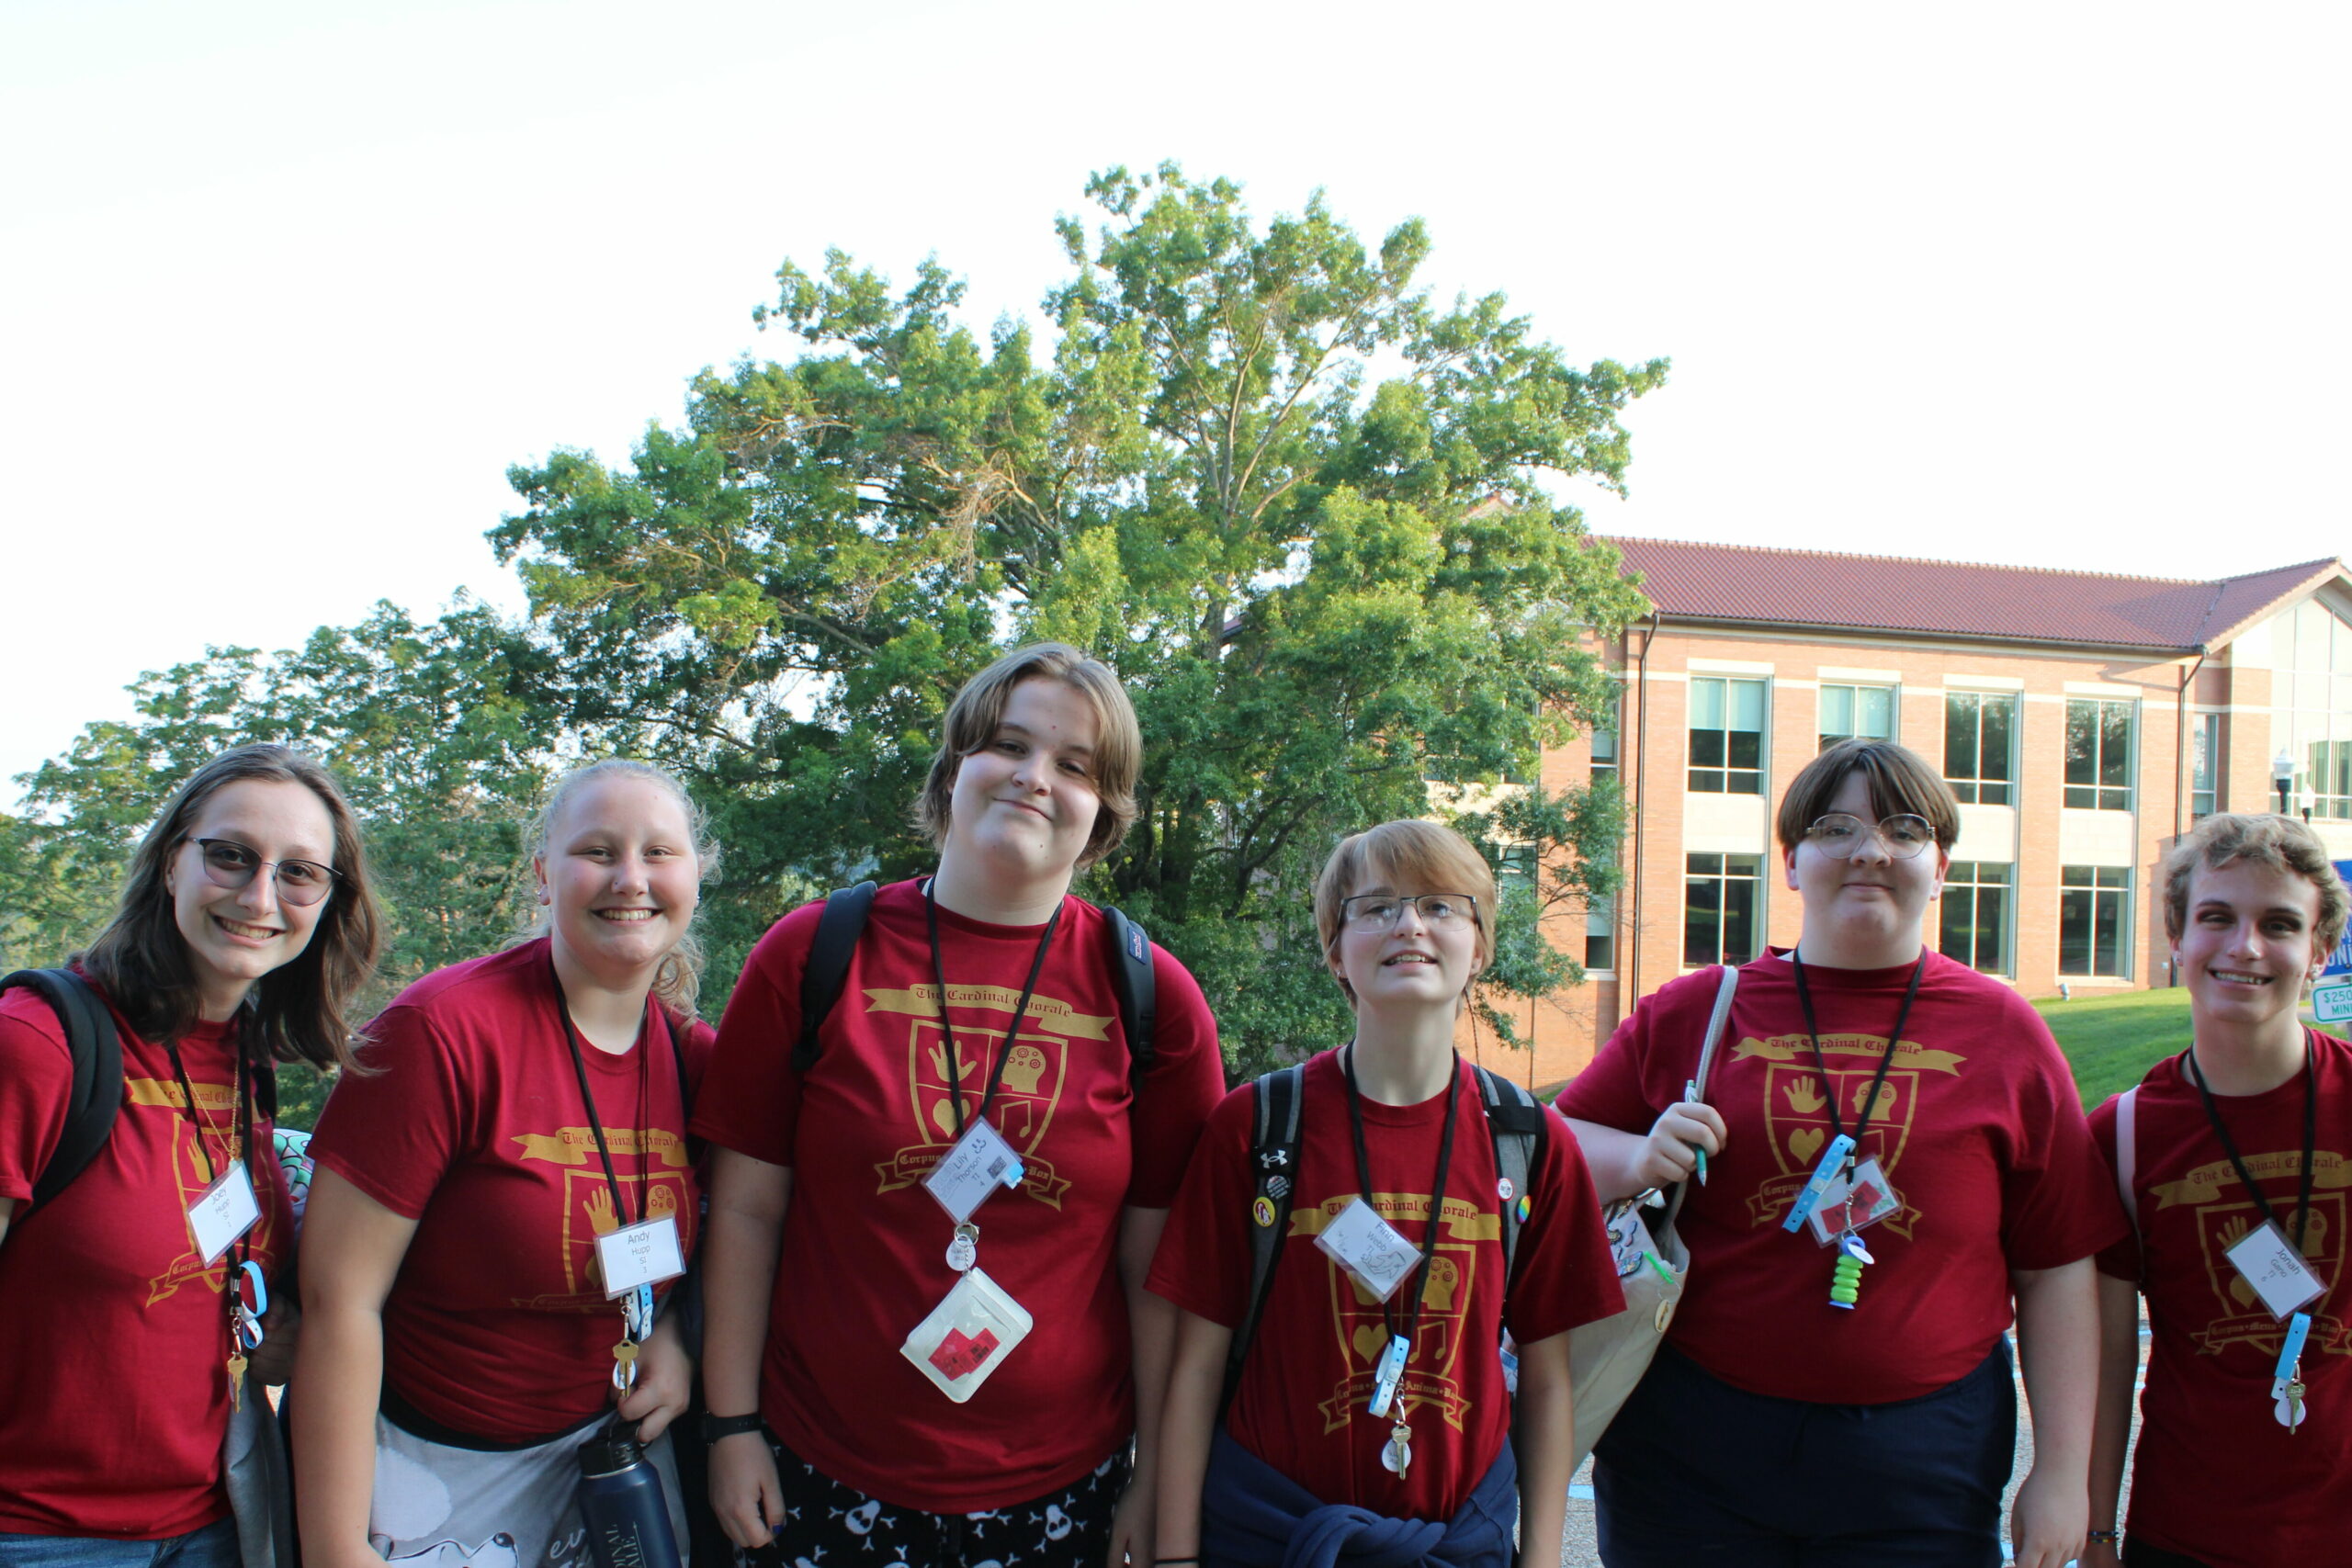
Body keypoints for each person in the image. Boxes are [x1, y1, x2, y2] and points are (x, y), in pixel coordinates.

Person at [695, 642, 1226, 1568]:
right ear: (954, 768)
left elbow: (1155, 1267)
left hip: (1067, 1490)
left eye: (1074, 766)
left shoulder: (1153, 996)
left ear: (1103, 813)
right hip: (815, 1469)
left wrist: (1154, 1478)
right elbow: (744, 1211)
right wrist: (730, 1424)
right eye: (1008, 745)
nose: (1033, 777)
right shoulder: (811, 954)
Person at [1555, 737, 2128, 1568]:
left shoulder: (2005, 1031)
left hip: (1924, 1455)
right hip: (1692, 1444)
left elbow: (2057, 1266)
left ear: (1940, 867)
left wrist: (2064, 1472)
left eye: (1904, 829)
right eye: (1834, 828)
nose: (1870, 850)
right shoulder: (1698, 1009)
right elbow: (1557, 1146)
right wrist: (1642, 1155)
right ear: (1791, 862)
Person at [1148, 820, 1623, 1568]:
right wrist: (1176, 1557)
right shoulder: (1258, 1127)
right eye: (1376, 906)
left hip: (1456, 1547)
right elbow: (1196, 1365)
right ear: (1336, 949)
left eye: (1440, 905)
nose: (1409, 924)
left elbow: (1547, 1378)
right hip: (1270, 1539)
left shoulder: (1530, 1141)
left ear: (1480, 945)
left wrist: (1540, 1558)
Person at [293, 760, 719, 1568]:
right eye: (597, 850)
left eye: (659, 852)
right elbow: (336, 1300)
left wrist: (673, 1332)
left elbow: (723, 1233)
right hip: (433, 1475)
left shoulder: (692, 1056)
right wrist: (336, 1545)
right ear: (542, 873)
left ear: (695, 874)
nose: (631, 878)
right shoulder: (440, 1032)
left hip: (609, 1463)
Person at [0, 742, 382, 1567]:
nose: (260, 895)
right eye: (231, 855)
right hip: (36, 1533)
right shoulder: (36, 1043)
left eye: (298, 872)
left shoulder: (245, 1064)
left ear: (328, 901)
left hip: (216, 1523)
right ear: (172, 860)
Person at [2086, 813, 2350, 1568]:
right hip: (2186, 1535)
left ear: (2320, 951)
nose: (2246, 946)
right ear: (2176, 937)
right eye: (2216, 917)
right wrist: (2098, 1534)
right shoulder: (2123, 1135)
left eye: (2280, 923)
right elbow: (2108, 1364)